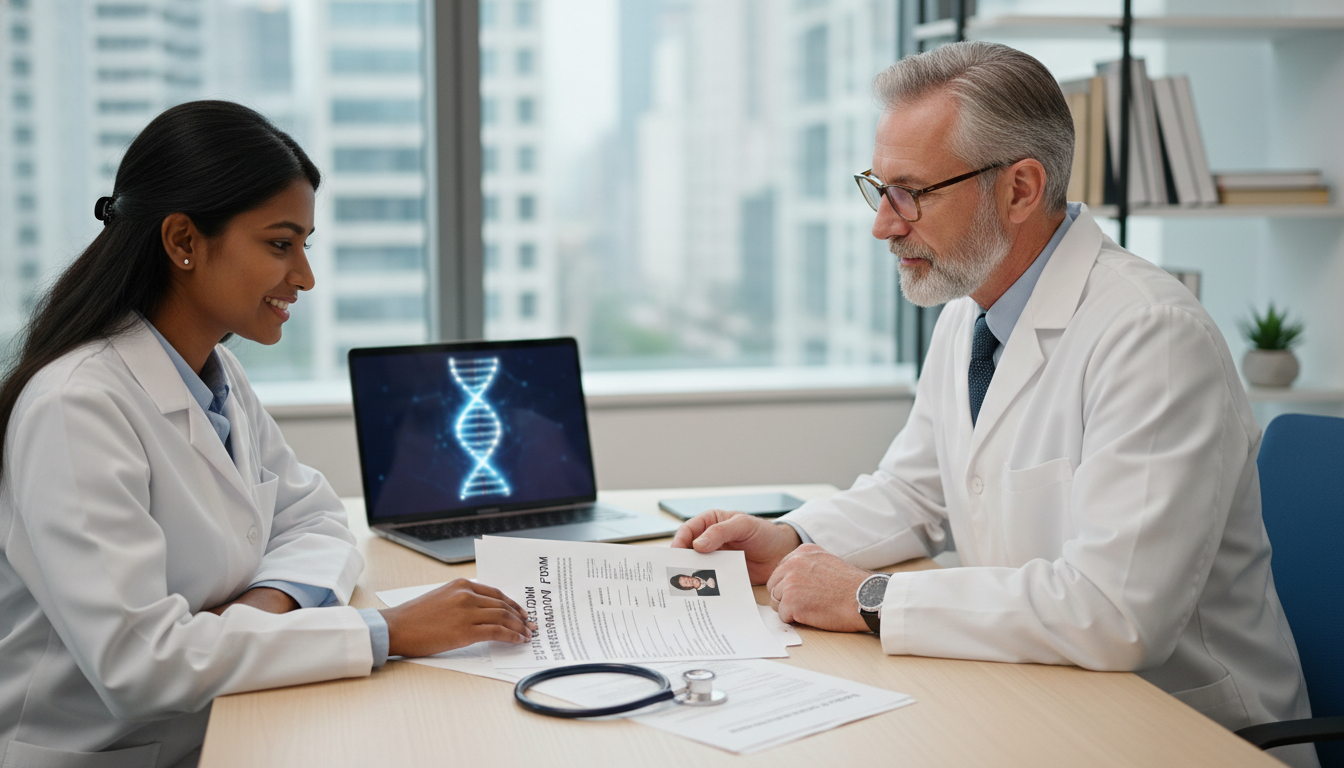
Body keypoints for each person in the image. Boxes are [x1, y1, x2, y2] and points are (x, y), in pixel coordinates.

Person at [672, 42, 1315, 767]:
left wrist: (870, 598)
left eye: (910, 192)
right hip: (1040, 696)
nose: (884, 224)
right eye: (878, 189)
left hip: (1178, 730)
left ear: (1019, 189)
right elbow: (917, 490)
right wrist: (786, 538)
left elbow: (1117, 615)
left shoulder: (1152, 336)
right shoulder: (970, 311)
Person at [0, 101, 533, 767]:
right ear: (183, 242)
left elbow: (315, 520)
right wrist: (386, 631)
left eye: (306, 245)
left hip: (224, 719)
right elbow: (138, 666)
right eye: (281, 245)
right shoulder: (75, 407)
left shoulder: (213, 375)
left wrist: (254, 610)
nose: (305, 276)